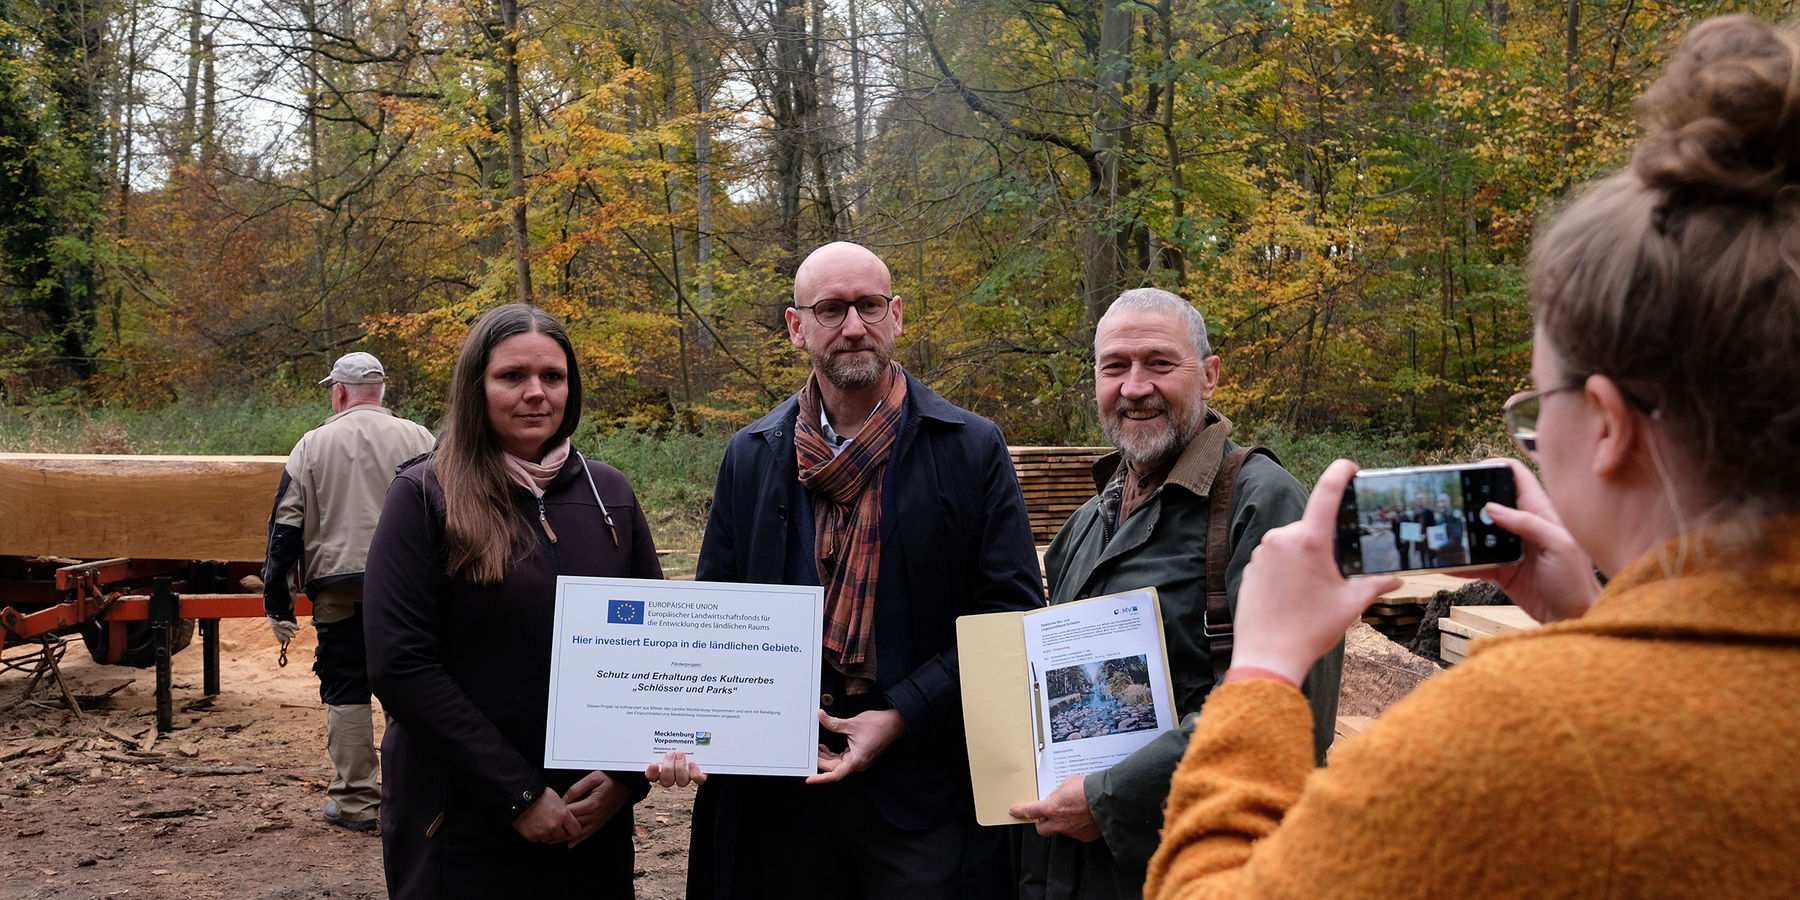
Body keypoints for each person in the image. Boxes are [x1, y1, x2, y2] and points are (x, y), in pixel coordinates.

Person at [1146, 15, 1800, 897]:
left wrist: (1262, 669)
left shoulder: (1514, 737)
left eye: (1537, 403)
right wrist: (1592, 625)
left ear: (1607, 424)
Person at [684, 241, 1045, 899]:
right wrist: (683, 727)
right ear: (798, 328)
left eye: (869, 305)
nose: (853, 326)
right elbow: (714, 613)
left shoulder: (967, 449)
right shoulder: (752, 455)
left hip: (921, 797)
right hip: (782, 800)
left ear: (896, 315)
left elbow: (1012, 613)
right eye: (831, 309)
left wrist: (902, 713)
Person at [1014, 288, 1343, 900]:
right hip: (1074, 872)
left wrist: (1106, 799)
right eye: (1115, 366)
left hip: (1209, 867)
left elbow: (1289, 716)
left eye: (1160, 363)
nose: (1135, 387)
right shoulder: (1084, 524)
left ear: (1210, 376)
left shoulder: (1261, 504)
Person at [363, 304, 663, 898]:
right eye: (511, 377)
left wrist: (626, 777)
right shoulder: (424, 494)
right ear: (477, 386)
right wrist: (517, 793)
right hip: (462, 818)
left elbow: (654, 648)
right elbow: (401, 666)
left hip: (588, 817)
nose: (536, 393)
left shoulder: (610, 494)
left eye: (552, 377)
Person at [262, 350, 435, 832]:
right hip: (410, 588)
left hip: (338, 588)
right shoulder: (420, 437)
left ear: (338, 392)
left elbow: (285, 527)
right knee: (418, 684)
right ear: (382, 391)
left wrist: (277, 602)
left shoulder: (311, 445)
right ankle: (419, 795)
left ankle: (357, 801)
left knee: (347, 687)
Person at [1432, 492, 1468, 567]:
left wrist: (1440, 547)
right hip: (1443, 560)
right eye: (1438, 502)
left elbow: (1456, 539)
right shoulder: (1439, 519)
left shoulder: (1455, 517)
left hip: (1454, 560)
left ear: (1449, 502)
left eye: (1442, 501)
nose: (1440, 504)